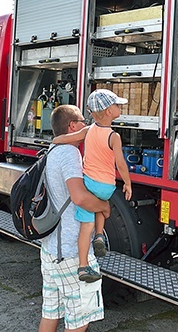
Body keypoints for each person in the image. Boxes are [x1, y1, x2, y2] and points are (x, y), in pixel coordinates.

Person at [39, 104, 111, 332]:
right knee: (79, 319)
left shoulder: (53, 150)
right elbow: (79, 198)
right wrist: (104, 206)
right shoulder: (70, 153)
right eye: (82, 121)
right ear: (72, 126)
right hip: (70, 251)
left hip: (50, 249)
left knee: (50, 312)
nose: (86, 125)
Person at [52, 89, 132, 283]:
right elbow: (120, 164)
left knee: (85, 226)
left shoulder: (88, 130)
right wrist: (128, 183)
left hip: (89, 183)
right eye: (117, 105)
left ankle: (82, 266)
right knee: (101, 205)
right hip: (107, 186)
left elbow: (66, 138)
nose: (119, 107)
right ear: (108, 112)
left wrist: (55, 140)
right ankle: (99, 236)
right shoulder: (114, 136)